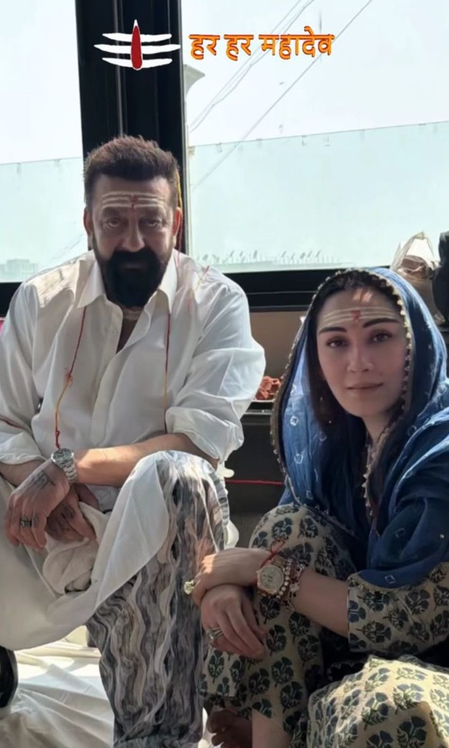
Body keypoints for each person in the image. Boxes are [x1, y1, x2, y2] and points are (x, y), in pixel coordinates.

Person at [0, 135, 265, 746]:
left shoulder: (217, 303)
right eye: (114, 221)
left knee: (178, 476)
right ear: (88, 223)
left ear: (176, 221)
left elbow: (198, 442)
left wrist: (66, 469)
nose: (134, 241)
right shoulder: (40, 300)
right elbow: (5, 420)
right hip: (42, 528)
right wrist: (40, 484)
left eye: (150, 221)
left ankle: (158, 733)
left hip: (156, 531)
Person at [192, 267, 449, 748]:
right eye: (336, 342)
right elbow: (283, 537)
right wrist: (226, 584)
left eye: (380, 337)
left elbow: (408, 621)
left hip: (431, 666)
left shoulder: (439, 458)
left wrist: (262, 571)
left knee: (392, 708)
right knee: (289, 529)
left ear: (416, 344)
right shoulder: (339, 450)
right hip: (359, 651)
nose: (358, 363)